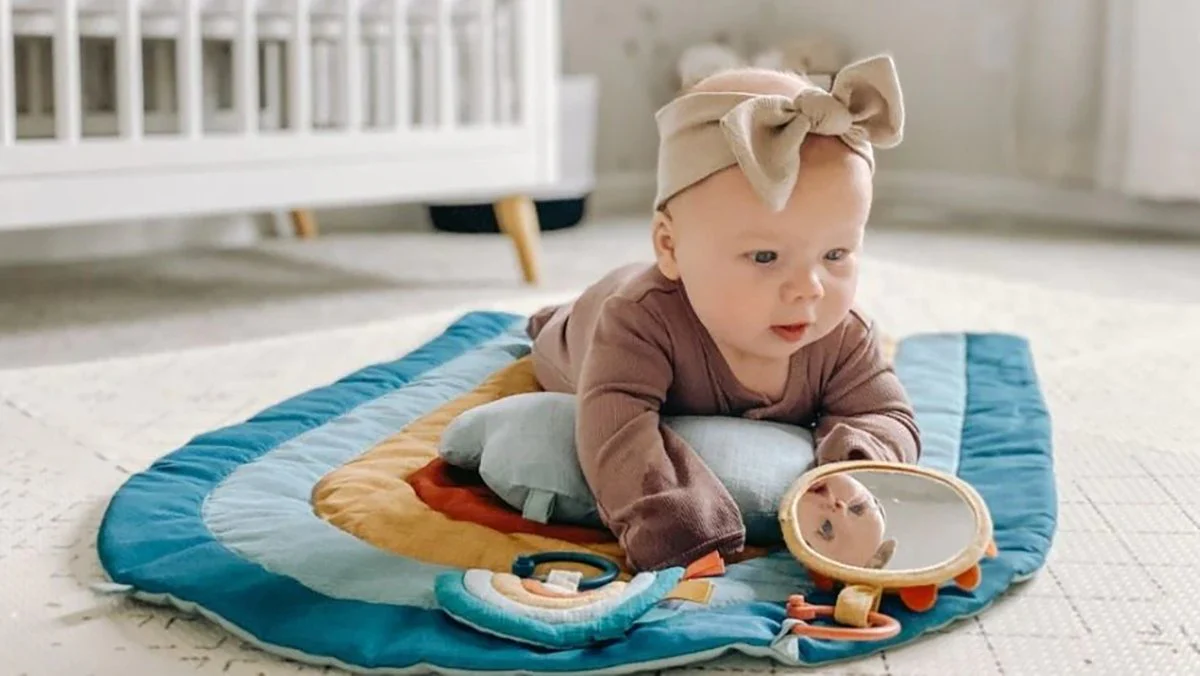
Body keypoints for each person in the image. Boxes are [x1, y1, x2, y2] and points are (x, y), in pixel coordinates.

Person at [526, 54, 921, 571]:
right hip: (588, 328)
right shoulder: (638, 323)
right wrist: (674, 522)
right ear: (671, 247)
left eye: (835, 255)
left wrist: (858, 462)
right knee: (560, 332)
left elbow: (888, 415)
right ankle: (550, 317)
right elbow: (617, 434)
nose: (809, 289)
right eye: (765, 257)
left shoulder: (842, 335)